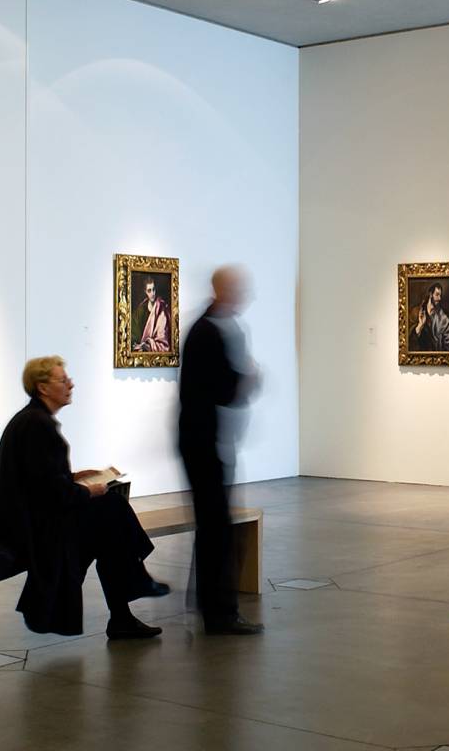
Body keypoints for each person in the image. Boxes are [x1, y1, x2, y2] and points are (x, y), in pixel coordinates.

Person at [0, 356, 167, 640]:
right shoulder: (37, 424)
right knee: (112, 508)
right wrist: (88, 490)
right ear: (43, 388)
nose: (71, 384)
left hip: (32, 517)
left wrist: (75, 476)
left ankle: (122, 614)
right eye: (63, 380)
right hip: (28, 527)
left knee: (110, 528)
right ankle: (131, 590)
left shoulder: (33, 420)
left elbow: (40, 479)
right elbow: (48, 492)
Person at [178, 266, 263, 635]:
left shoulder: (213, 327)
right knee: (215, 527)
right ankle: (219, 614)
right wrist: (248, 378)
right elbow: (223, 390)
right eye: (240, 288)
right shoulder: (208, 332)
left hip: (206, 441)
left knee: (214, 525)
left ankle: (211, 606)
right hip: (203, 444)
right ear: (223, 290)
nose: (245, 295)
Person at [409, 282, 449, 352]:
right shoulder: (417, 312)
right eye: (437, 295)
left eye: (440, 295)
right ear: (430, 294)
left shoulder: (444, 319)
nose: (439, 298)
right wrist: (420, 326)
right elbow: (409, 342)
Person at [132, 277, 170, 352]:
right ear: (145, 292)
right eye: (149, 291)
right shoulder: (141, 309)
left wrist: (149, 345)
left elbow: (163, 338)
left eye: (153, 290)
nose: (152, 293)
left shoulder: (162, 310)